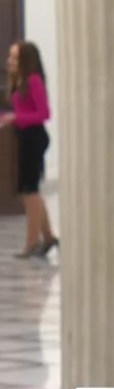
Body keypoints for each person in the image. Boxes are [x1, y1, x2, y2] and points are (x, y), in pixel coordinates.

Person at [3, 41, 57, 258]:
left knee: (30, 191)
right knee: (31, 190)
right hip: (25, 137)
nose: (10, 61)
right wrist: (10, 118)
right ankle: (48, 237)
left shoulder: (34, 81)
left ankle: (32, 242)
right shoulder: (19, 82)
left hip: (35, 138)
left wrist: (17, 117)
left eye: (15, 58)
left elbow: (44, 114)